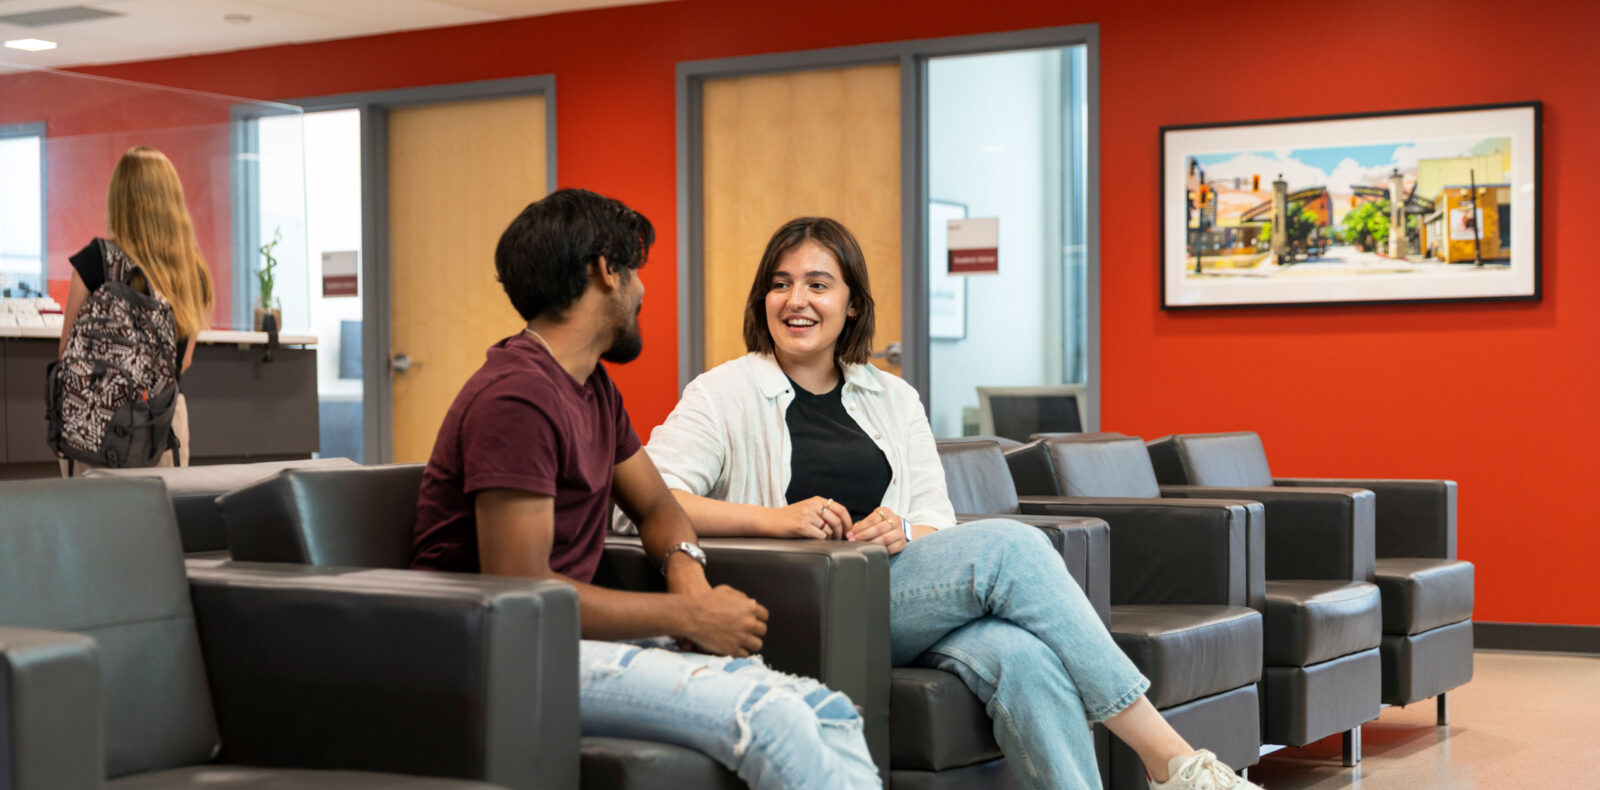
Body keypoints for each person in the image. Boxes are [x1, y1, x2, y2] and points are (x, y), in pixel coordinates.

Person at [636, 217, 1265, 790]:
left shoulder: (892, 396)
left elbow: (936, 515)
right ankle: (1174, 764)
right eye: (781, 284)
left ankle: (1167, 769)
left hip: (896, 595)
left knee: (1026, 659)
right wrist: (776, 520)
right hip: (802, 605)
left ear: (852, 305)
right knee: (1016, 546)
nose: (796, 300)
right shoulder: (723, 391)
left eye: (818, 285)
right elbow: (642, 503)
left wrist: (903, 530)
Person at [409, 190, 880, 790]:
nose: (641, 292)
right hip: (499, 653)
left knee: (829, 712)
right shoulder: (516, 398)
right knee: (775, 717)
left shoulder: (591, 387)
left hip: (561, 640)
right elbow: (522, 591)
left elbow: (657, 504)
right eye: (635, 272)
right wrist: (687, 614)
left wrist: (688, 576)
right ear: (607, 272)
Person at [57, 146, 213, 472]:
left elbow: (66, 353)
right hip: (161, 427)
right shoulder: (192, 271)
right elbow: (182, 361)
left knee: (92, 524)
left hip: (95, 432)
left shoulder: (95, 259)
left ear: (120, 199)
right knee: (159, 522)